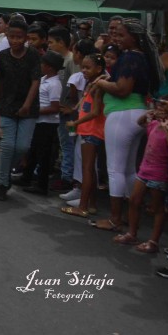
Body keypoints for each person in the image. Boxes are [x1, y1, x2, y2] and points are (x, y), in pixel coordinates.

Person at [88, 20, 159, 232]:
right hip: (136, 114)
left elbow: (122, 89)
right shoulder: (141, 57)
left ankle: (115, 219)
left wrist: (101, 83)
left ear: (133, 38)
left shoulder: (129, 57)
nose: (116, 38)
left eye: (121, 35)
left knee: (115, 170)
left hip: (122, 115)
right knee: (128, 170)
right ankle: (129, 217)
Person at [112, 110, 168, 253]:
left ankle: (153, 242)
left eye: (163, 109)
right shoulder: (153, 124)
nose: (160, 111)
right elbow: (140, 122)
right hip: (144, 169)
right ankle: (132, 234)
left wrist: (167, 127)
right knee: (134, 201)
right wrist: (149, 114)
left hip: (159, 173)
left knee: (157, 208)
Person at [0, 19, 41, 201]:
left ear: (25, 38)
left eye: (19, 37)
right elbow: (0, 80)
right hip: (7, 104)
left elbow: (36, 80)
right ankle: (3, 183)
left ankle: (6, 171)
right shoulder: (3, 56)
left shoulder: (33, 55)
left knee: (22, 146)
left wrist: (27, 104)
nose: (15, 41)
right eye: (12, 37)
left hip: (28, 106)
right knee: (7, 145)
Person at [61, 52, 107, 218]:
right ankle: (92, 204)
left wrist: (76, 123)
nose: (84, 70)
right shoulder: (93, 84)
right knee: (90, 169)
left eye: (88, 67)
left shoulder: (98, 86)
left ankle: (83, 206)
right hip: (88, 130)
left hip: (90, 130)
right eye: (83, 67)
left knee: (87, 168)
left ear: (99, 68)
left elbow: (95, 112)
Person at [16, 51, 64, 195]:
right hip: (38, 121)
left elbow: (55, 107)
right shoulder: (44, 79)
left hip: (47, 123)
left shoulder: (55, 84)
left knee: (44, 155)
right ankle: (26, 177)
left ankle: (42, 185)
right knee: (33, 151)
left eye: (42, 64)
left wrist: (35, 110)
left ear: (49, 67)